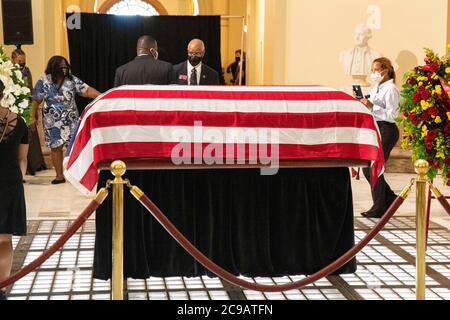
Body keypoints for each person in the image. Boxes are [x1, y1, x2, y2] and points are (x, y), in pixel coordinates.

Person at [32, 56, 101, 184]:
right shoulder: (43, 81)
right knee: (55, 147)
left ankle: (75, 175)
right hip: (51, 122)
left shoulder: (72, 80)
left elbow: (87, 91)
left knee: (74, 146)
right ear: (54, 67)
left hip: (71, 120)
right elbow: (36, 99)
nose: (64, 69)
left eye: (66, 66)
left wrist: (102, 96)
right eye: (62, 67)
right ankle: (59, 176)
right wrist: (33, 115)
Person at [358, 57, 399, 218]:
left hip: (387, 129)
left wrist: (372, 107)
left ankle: (380, 206)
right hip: (377, 127)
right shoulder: (377, 87)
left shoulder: (391, 89)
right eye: (372, 70)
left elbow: (392, 115)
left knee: (373, 166)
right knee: (369, 167)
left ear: (385, 71)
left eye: (375, 70)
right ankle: (389, 199)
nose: (373, 73)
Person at [0, 80, 29, 300]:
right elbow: (22, 159)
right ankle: (2, 285)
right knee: (4, 239)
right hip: (10, 183)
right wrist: (18, 181)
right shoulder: (18, 122)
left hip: (10, 182)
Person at [11, 48, 47, 178]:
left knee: (29, 136)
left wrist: (33, 112)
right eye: (19, 62)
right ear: (13, 60)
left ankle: (33, 165)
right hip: (12, 108)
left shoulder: (26, 71)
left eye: (24, 62)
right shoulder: (8, 72)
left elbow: (31, 90)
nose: (22, 65)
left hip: (26, 106)